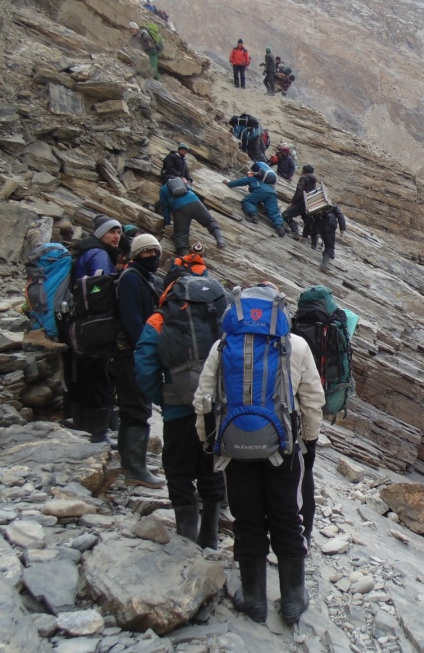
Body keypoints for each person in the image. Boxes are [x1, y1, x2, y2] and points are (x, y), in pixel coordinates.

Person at [192, 282, 324, 625]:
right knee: (286, 517)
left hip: (234, 446)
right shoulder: (295, 345)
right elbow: (312, 398)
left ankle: (254, 598)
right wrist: (308, 441)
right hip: (281, 447)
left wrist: (211, 441)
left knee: (247, 520)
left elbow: (204, 397)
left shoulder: (223, 346)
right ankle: (293, 597)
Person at [136, 254, 227, 549]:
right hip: (215, 410)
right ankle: (210, 537)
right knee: (212, 469)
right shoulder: (218, 316)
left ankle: (186, 535)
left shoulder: (160, 319)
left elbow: (144, 366)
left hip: (178, 411)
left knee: (178, 471)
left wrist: (163, 397)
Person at [66, 214, 123, 445]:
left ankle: (85, 423)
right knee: (101, 375)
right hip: (95, 323)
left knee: (86, 373)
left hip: (80, 321)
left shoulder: (87, 251)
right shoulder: (99, 254)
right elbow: (101, 288)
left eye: (119, 232)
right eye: (112, 232)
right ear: (101, 234)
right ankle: (100, 431)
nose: (117, 236)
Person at [113, 234, 165, 488]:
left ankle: (127, 461)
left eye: (155, 251)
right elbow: (132, 320)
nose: (152, 256)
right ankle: (136, 468)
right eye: (146, 252)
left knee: (131, 409)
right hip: (131, 354)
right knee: (138, 409)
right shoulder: (132, 278)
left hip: (131, 353)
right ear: (136, 255)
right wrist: (145, 352)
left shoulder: (141, 277)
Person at [160, 177, 227, 255]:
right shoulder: (181, 181)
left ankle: (184, 258)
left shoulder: (162, 189)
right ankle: (220, 241)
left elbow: (165, 207)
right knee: (210, 221)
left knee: (181, 236)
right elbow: (190, 190)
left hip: (180, 209)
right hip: (195, 201)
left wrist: (167, 222)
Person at [224, 162, 287, 236]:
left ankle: (254, 216)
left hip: (261, 191)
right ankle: (279, 226)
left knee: (247, 201)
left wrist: (229, 183)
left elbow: (241, 182)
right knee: (274, 211)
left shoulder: (253, 178)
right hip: (273, 192)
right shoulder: (268, 182)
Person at [280, 164, 317, 240]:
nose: (301, 171)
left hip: (301, 202)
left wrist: (292, 202)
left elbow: (299, 191)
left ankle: (295, 232)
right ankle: (314, 240)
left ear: (305, 170)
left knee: (286, 214)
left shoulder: (304, 178)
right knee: (307, 222)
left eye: (302, 170)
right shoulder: (313, 180)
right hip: (308, 202)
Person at [307, 203, 346, 273]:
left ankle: (314, 245)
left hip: (318, 226)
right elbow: (340, 216)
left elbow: (309, 222)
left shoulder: (314, 206)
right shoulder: (332, 206)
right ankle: (324, 265)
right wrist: (342, 229)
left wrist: (304, 235)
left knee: (320, 236)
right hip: (330, 225)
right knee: (329, 247)